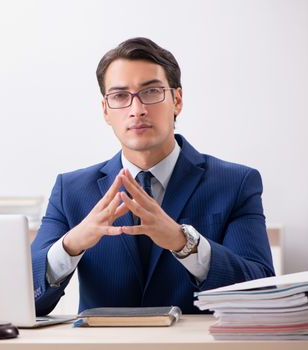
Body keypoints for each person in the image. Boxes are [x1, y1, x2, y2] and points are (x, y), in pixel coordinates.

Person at [31, 37, 275, 315]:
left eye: (151, 92)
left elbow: (261, 292)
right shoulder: (71, 190)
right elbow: (26, 300)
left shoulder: (236, 183)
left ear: (177, 101)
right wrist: (71, 245)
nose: (137, 109)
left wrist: (185, 243)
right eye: (120, 96)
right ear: (106, 111)